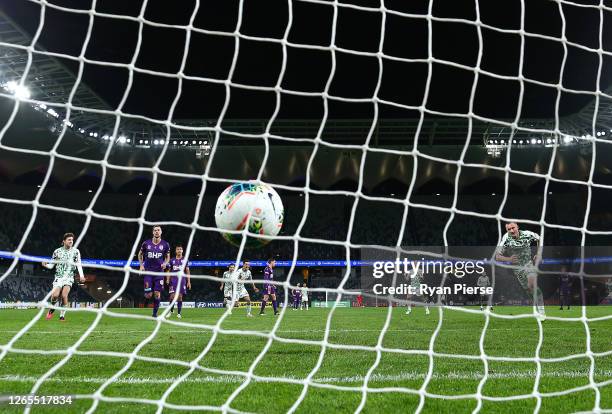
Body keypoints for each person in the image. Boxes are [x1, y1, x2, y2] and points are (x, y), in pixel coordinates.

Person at [495, 222, 545, 320]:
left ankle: (542, 312)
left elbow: (539, 238)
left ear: (517, 227)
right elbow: (497, 256)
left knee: (532, 285)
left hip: (528, 264)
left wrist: (539, 253)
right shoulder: (506, 239)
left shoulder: (527, 234)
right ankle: (537, 308)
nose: (511, 231)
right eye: (509, 229)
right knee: (528, 290)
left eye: (513, 228)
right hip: (517, 269)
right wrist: (508, 259)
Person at [42, 232, 86, 321]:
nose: (71, 241)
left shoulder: (76, 252)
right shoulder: (57, 251)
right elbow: (51, 266)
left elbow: (79, 264)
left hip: (69, 277)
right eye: (69, 240)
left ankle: (62, 316)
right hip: (59, 277)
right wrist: (45, 265)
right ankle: (52, 309)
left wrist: (81, 276)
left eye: (72, 240)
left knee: (64, 295)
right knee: (55, 295)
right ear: (64, 241)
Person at [138, 225, 170, 318]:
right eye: (155, 230)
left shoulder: (165, 244)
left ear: (161, 232)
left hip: (159, 273)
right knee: (148, 295)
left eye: (158, 230)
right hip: (148, 272)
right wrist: (141, 265)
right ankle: (146, 297)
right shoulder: (146, 243)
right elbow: (140, 254)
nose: (156, 232)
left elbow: (168, 256)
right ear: (153, 232)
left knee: (157, 294)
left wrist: (165, 263)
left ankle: (155, 314)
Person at [165, 245, 191, 319]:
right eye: (178, 249)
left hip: (182, 280)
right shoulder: (172, 260)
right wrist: (167, 279)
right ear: (176, 251)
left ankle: (179, 313)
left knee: (179, 297)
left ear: (182, 251)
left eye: (180, 249)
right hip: (173, 280)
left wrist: (189, 282)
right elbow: (168, 271)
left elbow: (187, 271)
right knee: (172, 297)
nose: (179, 250)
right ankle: (171, 311)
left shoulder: (185, 260)